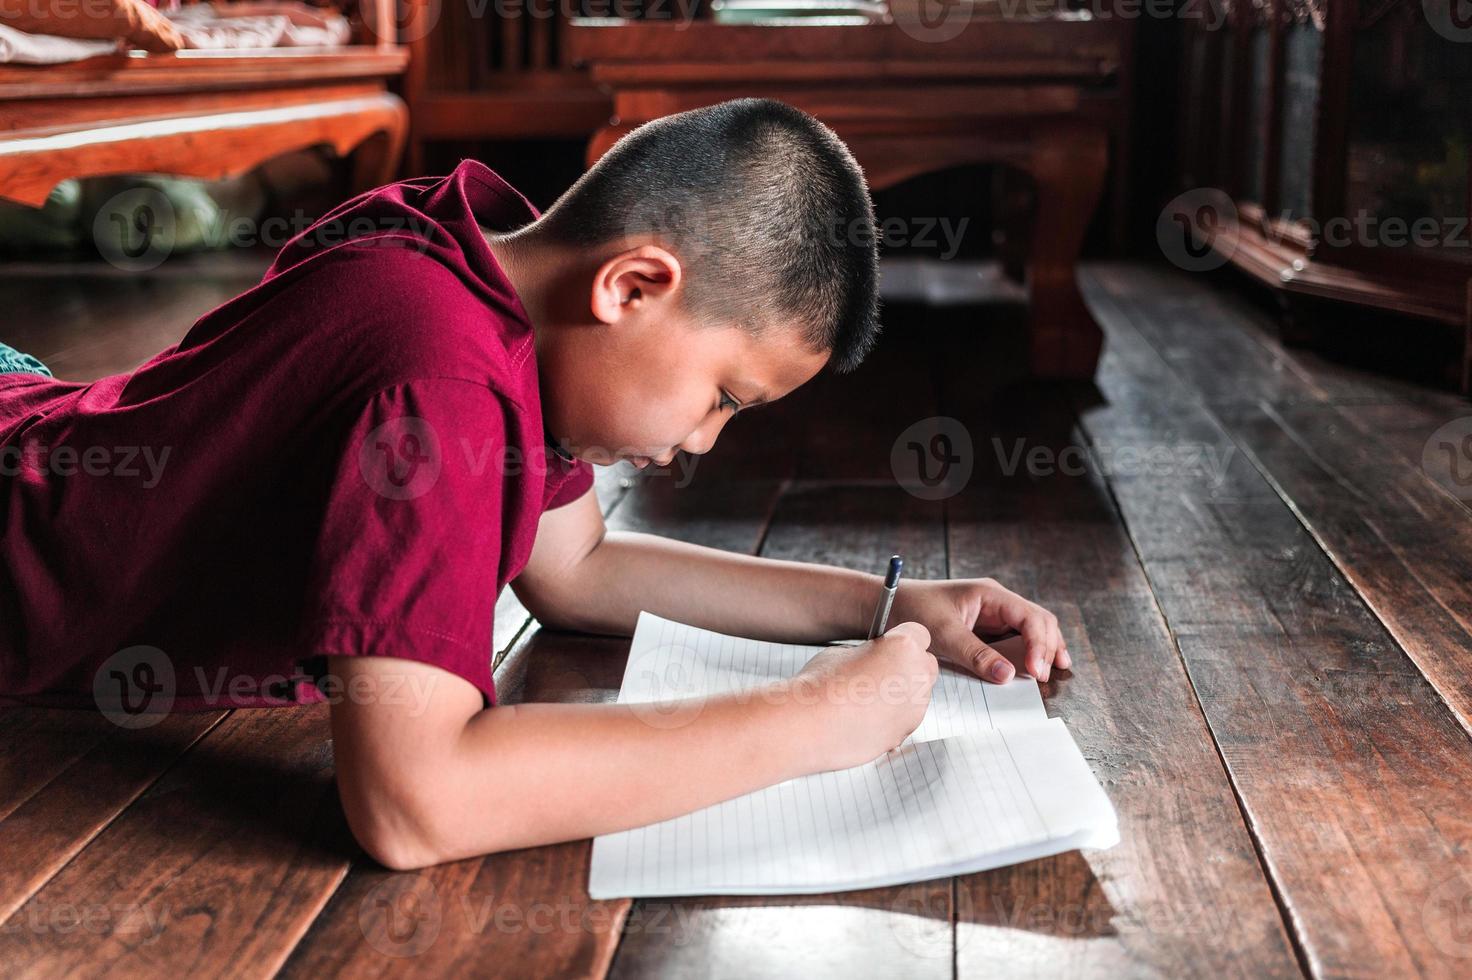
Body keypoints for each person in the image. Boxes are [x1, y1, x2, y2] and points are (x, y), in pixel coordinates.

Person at [0, 98, 1069, 869]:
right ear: (633, 285)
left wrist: (889, 607)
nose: (700, 440)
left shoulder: (496, 273)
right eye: (720, 395)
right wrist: (813, 721)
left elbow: (579, 566)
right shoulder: (439, 379)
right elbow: (415, 803)